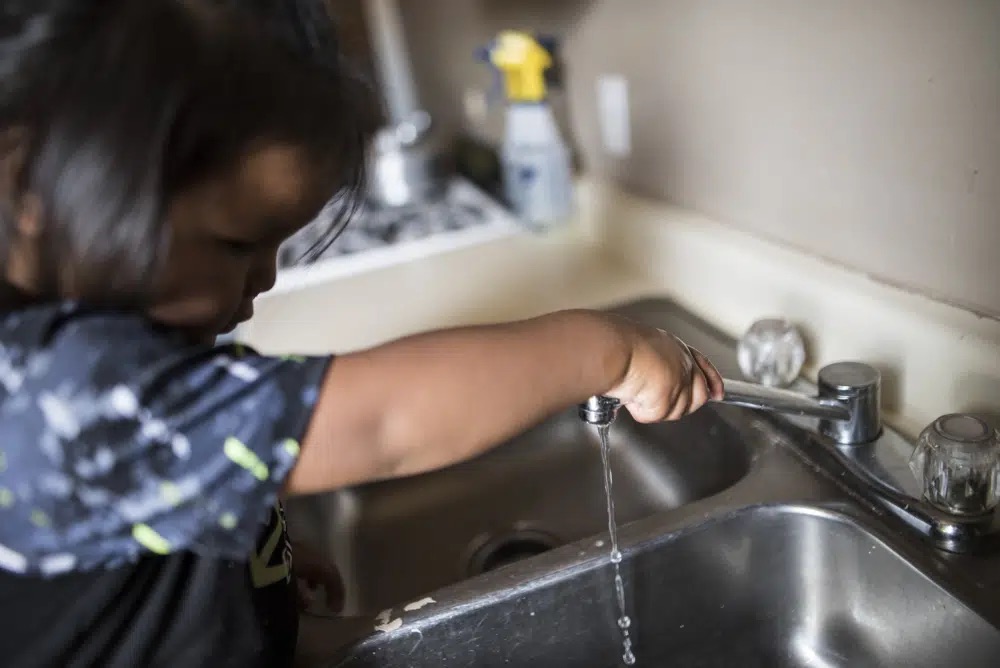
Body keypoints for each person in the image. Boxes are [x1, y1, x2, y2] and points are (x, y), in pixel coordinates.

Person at [0, 1, 724, 666]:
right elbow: (381, 422)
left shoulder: (93, 353)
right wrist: (609, 351)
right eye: (233, 244)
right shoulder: (51, 398)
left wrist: (257, 561)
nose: (265, 282)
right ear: (33, 183)